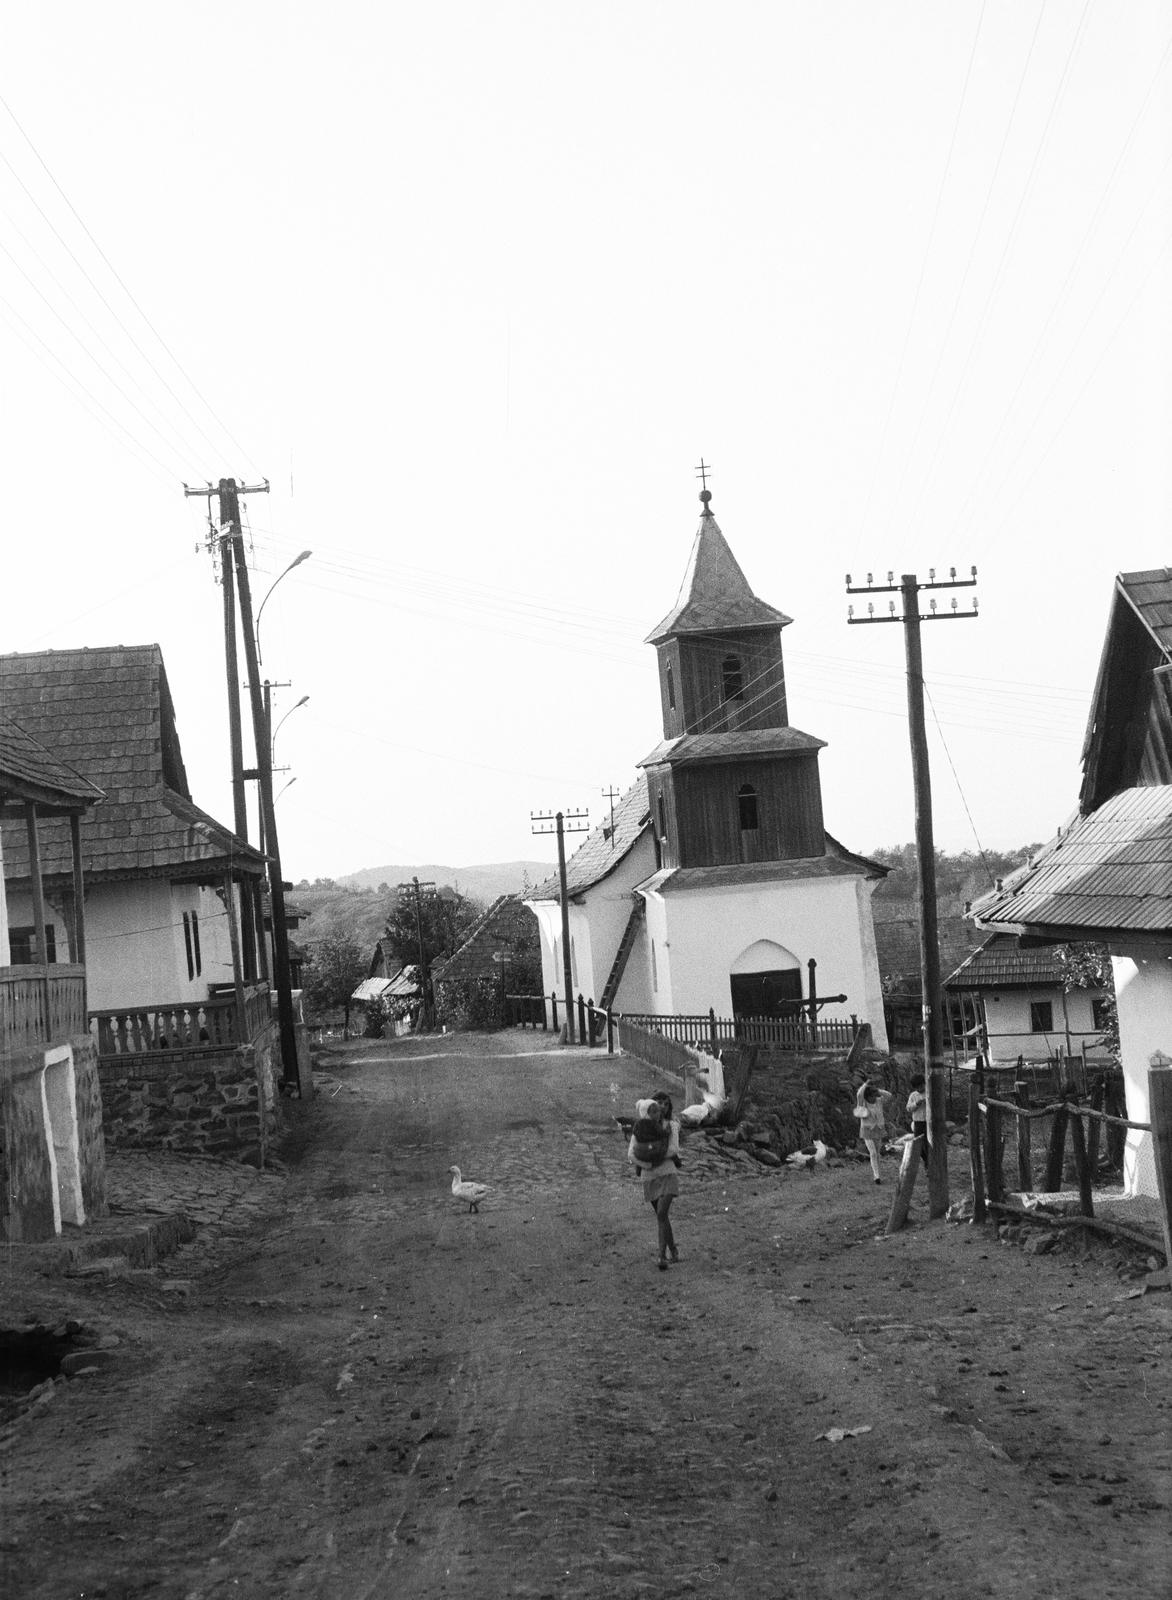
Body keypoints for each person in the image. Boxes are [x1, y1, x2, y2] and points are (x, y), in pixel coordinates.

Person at [628, 1093, 682, 1270]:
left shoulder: (671, 1125)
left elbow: (673, 1149)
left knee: (661, 1213)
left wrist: (655, 1157)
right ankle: (673, 1250)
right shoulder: (640, 1128)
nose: (661, 1108)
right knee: (662, 1216)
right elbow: (631, 1154)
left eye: (665, 1105)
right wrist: (648, 1163)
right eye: (658, 1105)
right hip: (649, 1176)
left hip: (667, 1173)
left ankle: (661, 1256)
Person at [853, 1077, 893, 1183]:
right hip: (867, 1130)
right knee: (873, 1153)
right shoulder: (863, 1103)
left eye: (874, 1096)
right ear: (867, 1097)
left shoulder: (879, 1101)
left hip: (878, 1129)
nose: (874, 1098)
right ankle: (876, 1176)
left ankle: (878, 1174)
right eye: (871, 1096)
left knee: (877, 1153)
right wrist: (865, 1085)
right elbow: (859, 1094)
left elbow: (889, 1095)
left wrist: (877, 1090)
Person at [906, 1074, 928, 1154]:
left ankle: (929, 1162)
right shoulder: (913, 1095)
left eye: (921, 1086)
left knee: (928, 1142)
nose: (919, 1089)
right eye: (917, 1088)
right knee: (918, 1143)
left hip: (928, 1122)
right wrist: (916, 1104)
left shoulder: (929, 1092)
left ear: (924, 1084)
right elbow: (908, 1108)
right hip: (918, 1122)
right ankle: (925, 1159)